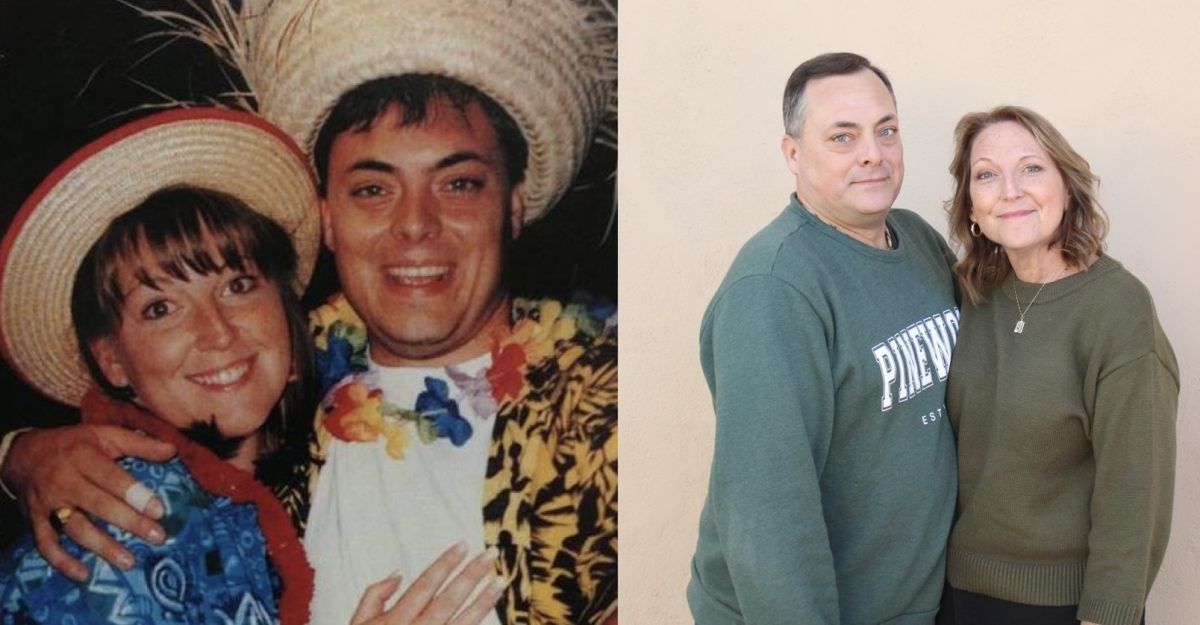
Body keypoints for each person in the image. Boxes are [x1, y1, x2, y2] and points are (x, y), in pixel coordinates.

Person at [1, 2, 618, 624]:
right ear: (326, 216)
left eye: (458, 183)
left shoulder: (616, 413)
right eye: (373, 189)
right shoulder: (293, 381)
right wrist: (24, 453)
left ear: (513, 205)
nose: (414, 226)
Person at [0, 109, 319, 623]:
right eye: (161, 309)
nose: (217, 332)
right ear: (112, 361)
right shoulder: (111, 525)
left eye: (237, 286)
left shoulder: (330, 446)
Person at [687, 52, 960, 625]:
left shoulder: (917, 241)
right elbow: (767, 515)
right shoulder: (774, 290)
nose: (873, 153)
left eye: (886, 130)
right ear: (793, 154)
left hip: (916, 604)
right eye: (842, 137)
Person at [938, 105, 1178, 625]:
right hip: (957, 597)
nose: (1010, 190)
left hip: (1065, 607)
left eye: (1031, 168)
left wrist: (1107, 615)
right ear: (972, 209)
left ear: (1066, 189)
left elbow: (1135, 492)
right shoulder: (969, 296)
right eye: (986, 175)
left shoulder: (1118, 310)